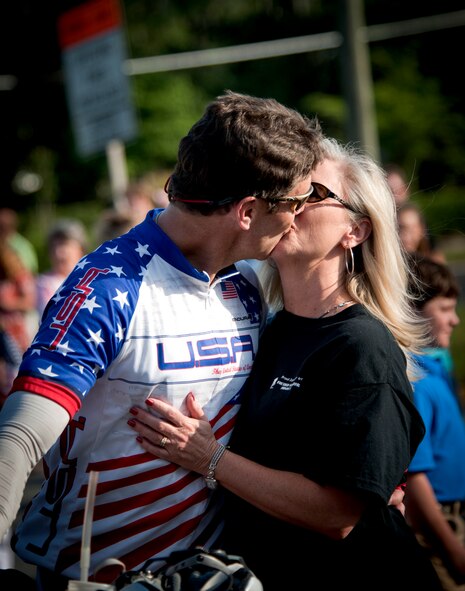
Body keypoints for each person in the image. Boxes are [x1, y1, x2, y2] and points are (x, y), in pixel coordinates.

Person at [0, 90, 323, 590]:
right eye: (298, 202)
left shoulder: (250, 281)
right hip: (92, 575)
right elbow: (18, 438)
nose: (300, 217)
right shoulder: (109, 285)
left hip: (214, 571)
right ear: (248, 210)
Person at [128, 137, 443, 590]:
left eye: (312, 195)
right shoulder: (267, 329)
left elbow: (338, 515)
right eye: (285, 192)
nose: (290, 206)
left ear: (355, 230)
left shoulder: (361, 345)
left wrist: (210, 457)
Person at [405, 254, 465, 591]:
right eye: (443, 309)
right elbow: (416, 482)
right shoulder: (417, 382)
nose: (454, 320)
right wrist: (453, 551)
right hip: (439, 525)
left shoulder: (436, 369)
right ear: (413, 307)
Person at [36, 219, 89, 318]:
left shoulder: (93, 279)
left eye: (64, 245)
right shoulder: (43, 284)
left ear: (81, 249)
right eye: (53, 246)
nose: (58, 252)